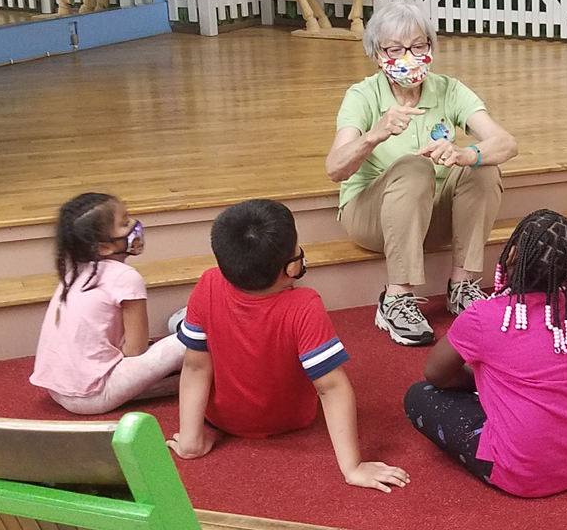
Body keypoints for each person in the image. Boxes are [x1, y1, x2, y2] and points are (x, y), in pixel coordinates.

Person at [167, 200, 410, 492]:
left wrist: (191, 440)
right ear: (292, 268)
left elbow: (195, 365)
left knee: (187, 331)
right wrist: (353, 467)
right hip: (293, 419)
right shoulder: (304, 305)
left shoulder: (208, 283)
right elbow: (331, 387)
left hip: (220, 418)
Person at [327, 0, 519, 347]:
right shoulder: (362, 96)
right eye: (396, 49)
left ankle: (462, 287)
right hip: (372, 217)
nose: (409, 57)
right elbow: (335, 169)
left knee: (483, 167)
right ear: (376, 53)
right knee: (415, 167)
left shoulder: (448, 89)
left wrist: (465, 153)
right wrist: (375, 134)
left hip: (431, 215)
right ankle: (396, 298)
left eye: (418, 46)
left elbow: (506, 143)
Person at [404, 210, 567, 497]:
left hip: (524, 473)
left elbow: (436, 375)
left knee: (420, 396)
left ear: (512, 254)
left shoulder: (482, 316)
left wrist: (482, 380)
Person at [30, 193, 185, 414]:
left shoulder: (74, 272)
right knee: (187, 342)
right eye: (124, 224)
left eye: (129, 217)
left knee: (167, 355)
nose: (133, 225)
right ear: (103, 248)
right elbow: (136, 350)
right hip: (92, 395)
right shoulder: (126, 277)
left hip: (57, 389)